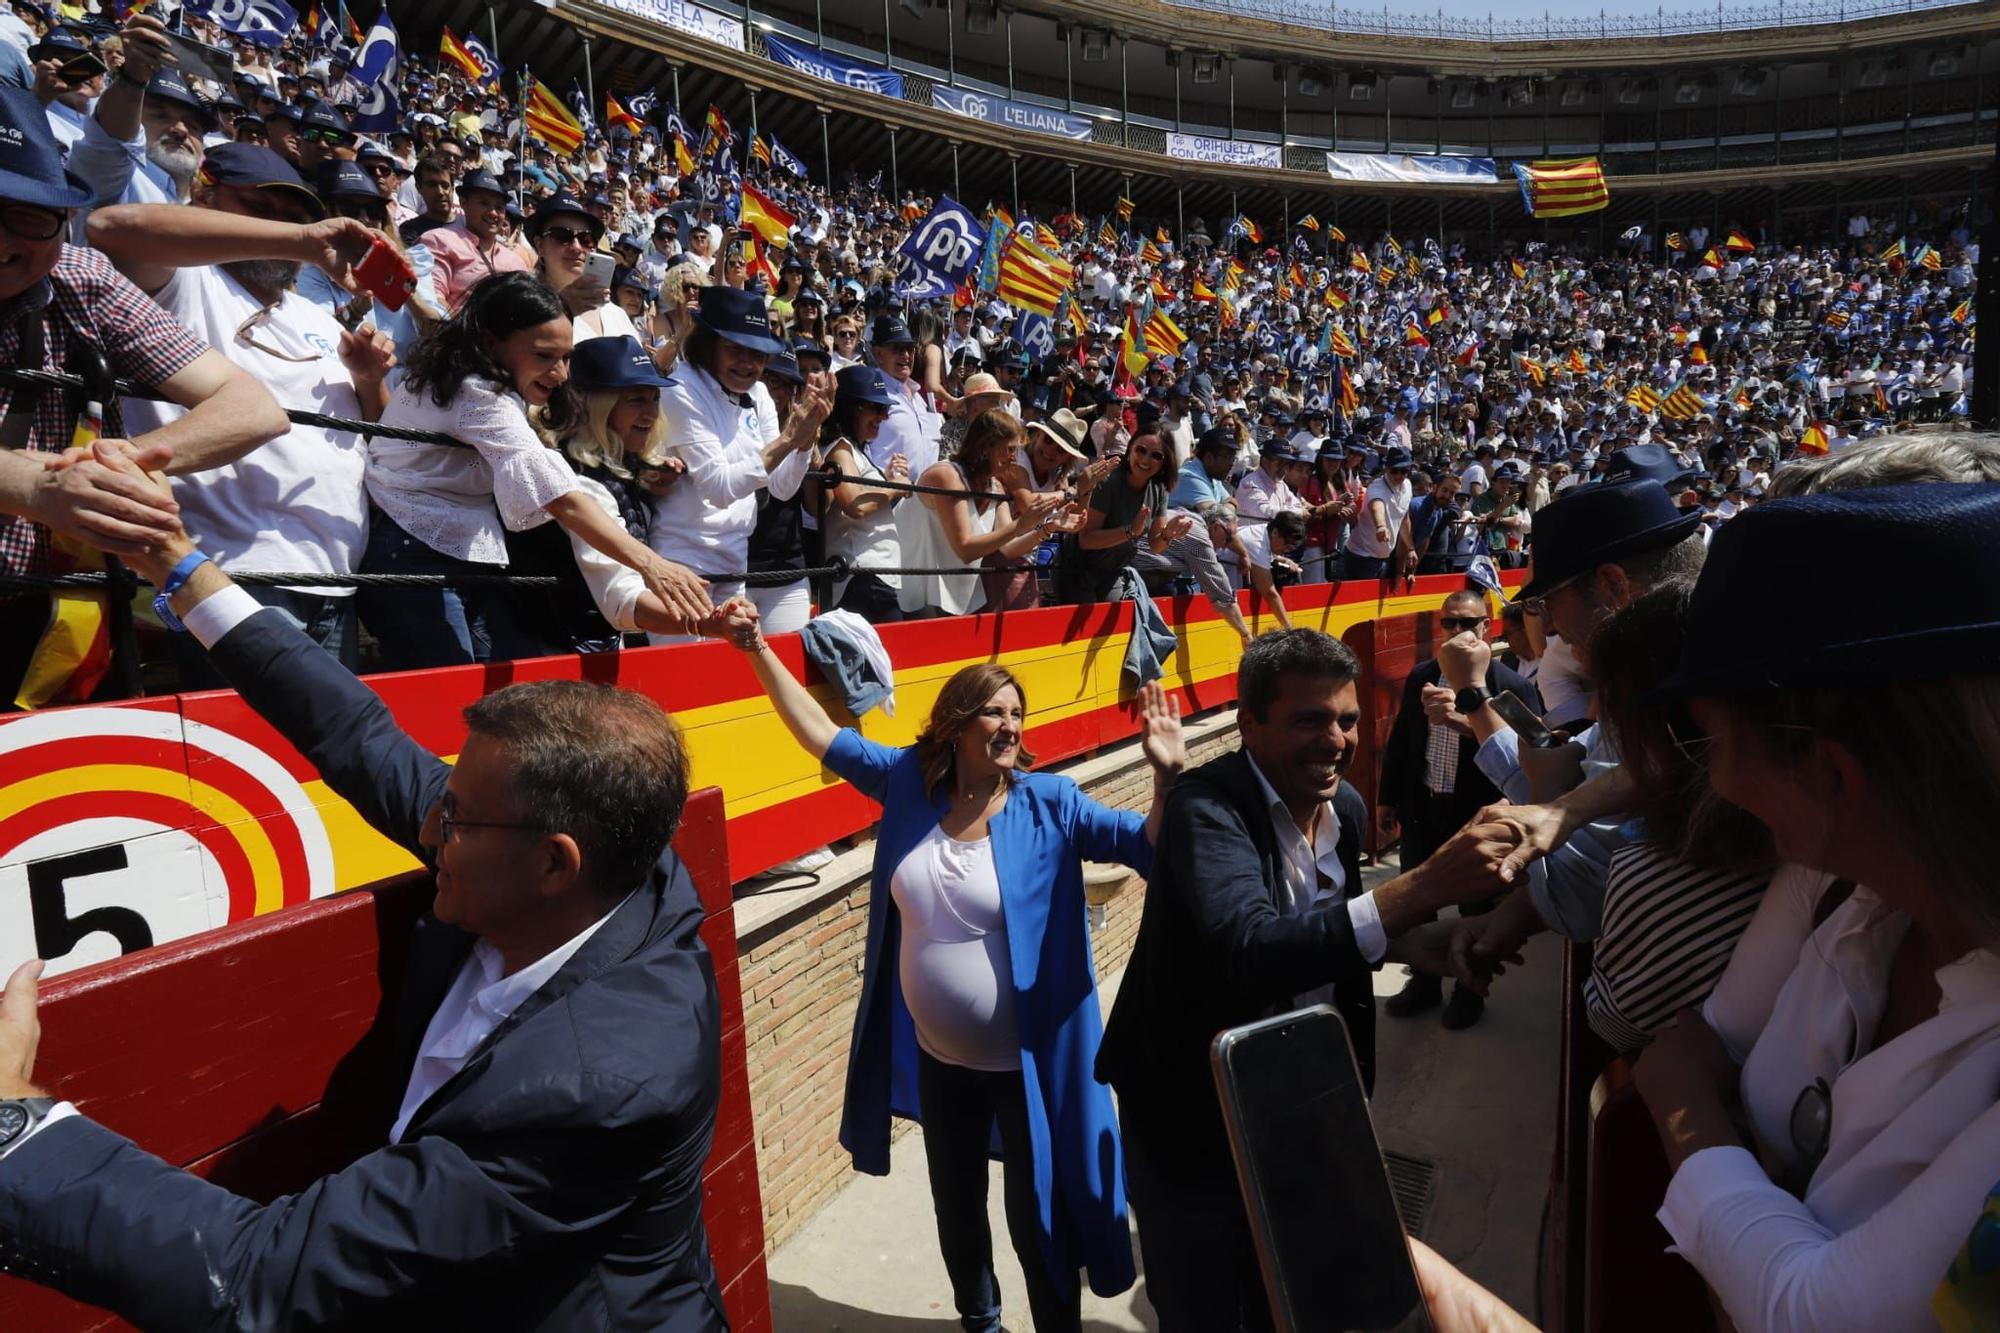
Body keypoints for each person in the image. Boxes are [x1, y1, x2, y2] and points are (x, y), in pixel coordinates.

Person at [0, 440, 728, 1329]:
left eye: (455, 817)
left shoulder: (594, 1087)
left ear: (553, 862)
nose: (429, 827)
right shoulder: (601, 864)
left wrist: (14, 1131)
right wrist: (175, 562)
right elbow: (356, 731)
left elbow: (255, 1279)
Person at [724, 594, 1189, 1332]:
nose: (1010, 726)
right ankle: (981, 1318)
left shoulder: (1051, 803)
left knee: (1037, 1215)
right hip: (940, 1061)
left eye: (1017, 714)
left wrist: (1165, 777)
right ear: (956, 722)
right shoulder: (909, 782)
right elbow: (818, 733)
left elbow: (1150, 847)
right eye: (995, 712)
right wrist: (754, 649)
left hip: (1026, 1066)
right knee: (957, 1205)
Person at [1632, 484, 2000, 1333]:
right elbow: (1712, 1034)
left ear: (1833, 777)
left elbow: (1809, 1315)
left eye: (1713, 741)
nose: (1711, 778)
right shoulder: (1849, 890)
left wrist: (1685, 1108)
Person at [1096, 629, 1524, 1332]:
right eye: (1309, 719)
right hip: (1191, 1117)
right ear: (1248, 723)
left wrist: (1429, 945)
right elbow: (1251, 945)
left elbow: (1327, 933)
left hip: (1302, 1107)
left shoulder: (1345, 812)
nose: (1336, 739)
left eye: (1348, 719)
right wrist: (1424, 885)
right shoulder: (1206, 810)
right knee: (1204, 1306)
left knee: (1290, 1296)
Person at [0, 87, 288, 703]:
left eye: (29, 215)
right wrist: (34, 489)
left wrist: (114, 468)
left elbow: (253, 407)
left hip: (39, 613)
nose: (3, 243)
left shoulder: (81, 278)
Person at [85, 159, 397, 684]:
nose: (276, 226)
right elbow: (110, 229)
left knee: (312, 763)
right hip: (225, 574)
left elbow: (375, 433)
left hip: (332, 581)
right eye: (259, 208)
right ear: (206, 201)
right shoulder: (183, 280)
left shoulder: (317, 317)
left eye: (293, 214)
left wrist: (369, 381)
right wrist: (298, 238)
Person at [359, 271, 708, 668]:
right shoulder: (478, 392)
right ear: (492, 342)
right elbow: (559, 497)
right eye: (544, 356)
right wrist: (652, 564)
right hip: (416, 559)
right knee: (452, 704)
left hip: (448, 556)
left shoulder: (466, 377)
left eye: (566, 358)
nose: (560, 374)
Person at [1377, 588, 1541, 1029]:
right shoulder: (1422, 677)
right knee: (1415, 902)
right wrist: (1388, 799)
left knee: (1476, 907)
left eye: (1467, 624)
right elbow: (1404, 742)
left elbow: (1534, 753)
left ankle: (1470, 990)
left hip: (1477, 814)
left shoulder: (1512, 686)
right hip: (1423, 808)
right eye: (1449, 623)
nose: (1457, 632)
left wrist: (1463, 721)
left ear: (1486, 628)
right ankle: (1425, 983)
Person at [646, 285, 830, 639]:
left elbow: (781, 487)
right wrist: (789, 439)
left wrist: (805, 439)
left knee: (729, 683)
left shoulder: (758, 393)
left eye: (758, 353)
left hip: (734, 561)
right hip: (683, 562)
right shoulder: (681, 389)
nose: (748, 363)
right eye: (735, 349)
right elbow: (719, 487)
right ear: (707, 344)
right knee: (685, 684)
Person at [898, 408, 1067, 619]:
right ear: (986, 447)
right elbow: (965, 549)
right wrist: (1022, 524)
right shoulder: (947, 476)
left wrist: (1050, 527)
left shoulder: (995, 486)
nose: (1014, 458)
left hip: (947, 594)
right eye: (1009, 450)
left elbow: (1008, 548)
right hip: (910, 588)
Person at [816, 365, 912, 623]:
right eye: (876, 408)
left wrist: (890, 480)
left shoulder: (856, 450)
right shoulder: (840, 449)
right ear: (851, 409)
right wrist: (895, 485)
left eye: (885, 410)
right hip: (862, 577)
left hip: (872, 576)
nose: (883, 417)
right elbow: (855, 505)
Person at [1061, 430, 1194, 606]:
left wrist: (1167, 535)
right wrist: (1130, 531)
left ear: (1164, 462)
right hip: (1077, 570)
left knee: (1119, 628)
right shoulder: (1108, 481)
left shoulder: (1159, 488)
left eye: (1156, 455)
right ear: (1130, 450)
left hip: (1112, 571)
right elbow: (1086, 540)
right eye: (1141, 450)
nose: (1146, 459)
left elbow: (1156, 545)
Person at [417, 166, 529, 312]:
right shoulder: (439, 241)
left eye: (499, 208)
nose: (493, 213)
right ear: (463, 203)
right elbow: (432, 302)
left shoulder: (516, 260)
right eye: (484, 203)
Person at [868, 312, 944, 478]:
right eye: (897, 349)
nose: (906, 355)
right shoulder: (871, 394)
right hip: (889, 495)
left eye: (910, 349)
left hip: (925, 498)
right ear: (878, 354)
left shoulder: (919, 397)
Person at [1341, 445, 1418, 579]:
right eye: (1395, 470)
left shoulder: (1407, 485)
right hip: (1361, 557)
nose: (1399, 475)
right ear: (1387, 468)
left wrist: (1410, 549)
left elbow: (1404, 519)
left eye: (1404, 471)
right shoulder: (1377, 487)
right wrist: (1381, 526)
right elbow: (1377, 506)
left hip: (1383, 557)